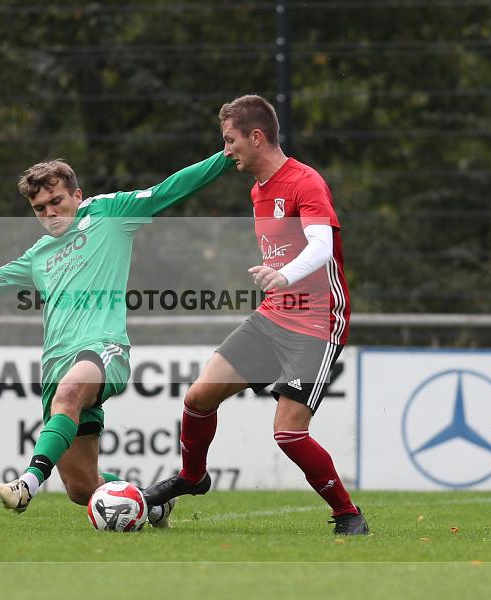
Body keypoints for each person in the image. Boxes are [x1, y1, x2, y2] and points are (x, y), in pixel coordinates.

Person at [0, 151, 234, 527]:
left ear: (77, 195)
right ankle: (151, 504)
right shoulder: (38, 255)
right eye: (39, 208)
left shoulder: (109, 214)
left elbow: (169, 189)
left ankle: (25, 484)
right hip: (56, 364)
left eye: (56, 201)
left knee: (70, 392)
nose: (50, 213)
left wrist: (226, 157)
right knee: (81, 488)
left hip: (103, 347)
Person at [143, 95, 369, 535]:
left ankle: (348, 514)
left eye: (230, 141)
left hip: (317, 322)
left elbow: (321, 247)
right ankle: (193, 478)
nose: (226, 150)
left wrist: (284, 276)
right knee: (197, 400)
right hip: (272, 317)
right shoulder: (258, 189)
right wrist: (279, 284)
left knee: (288, 433)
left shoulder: (306, 182)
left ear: (257, 136)